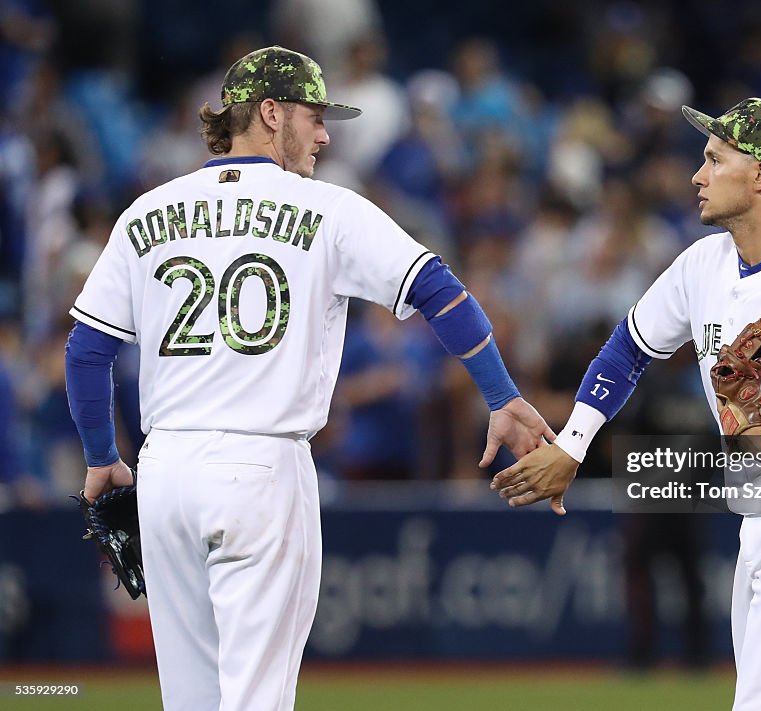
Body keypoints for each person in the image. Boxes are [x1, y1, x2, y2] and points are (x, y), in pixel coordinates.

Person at [64, 46, 554, 711]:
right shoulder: (326, 209)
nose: (324, 134)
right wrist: (500, 394)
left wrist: (101, 458)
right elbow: (438, 288)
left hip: (165, 469)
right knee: (258, 699)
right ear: (270, 113)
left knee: (191, 701)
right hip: (260, 467)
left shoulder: (147, 214)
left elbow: (86, 350)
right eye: (313, 116)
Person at [492, 98, 761, 710]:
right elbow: (626, 350)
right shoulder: (703, 264)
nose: (698, 175)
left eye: (716, 160)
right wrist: (572, 444)